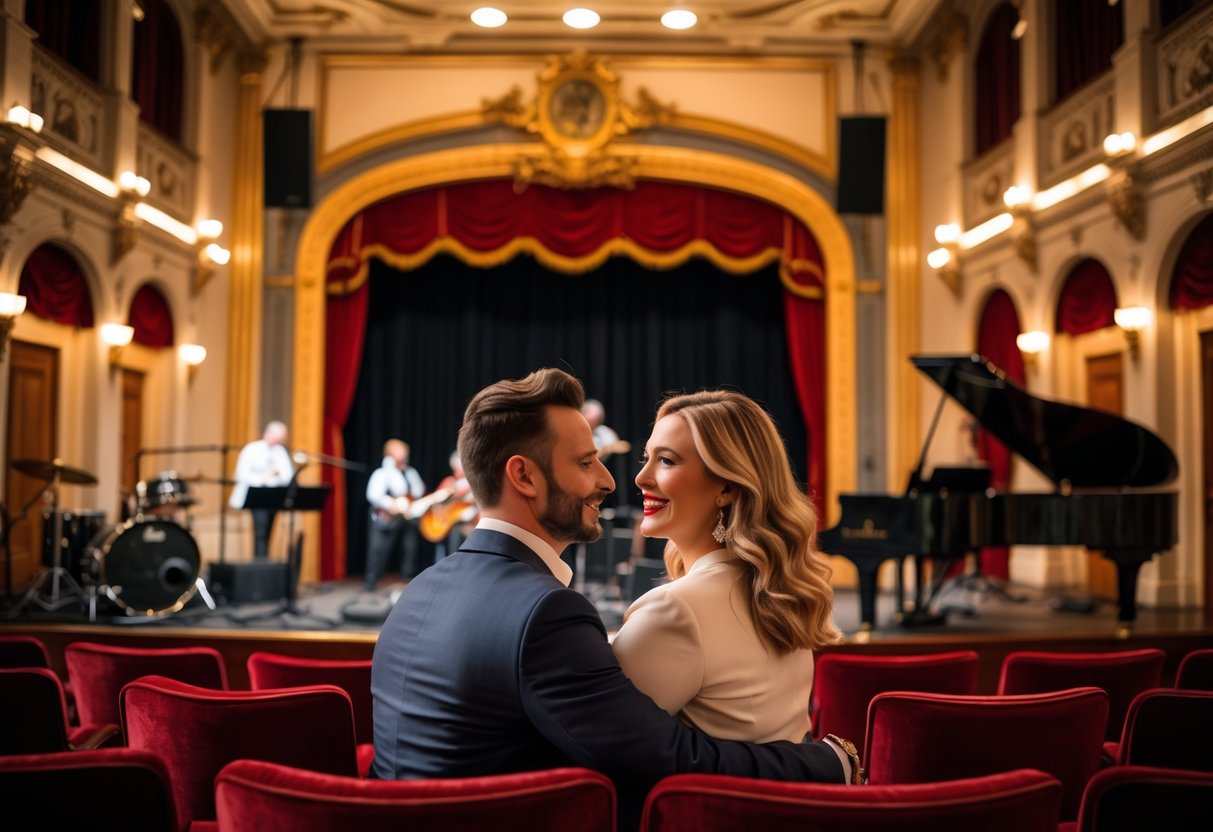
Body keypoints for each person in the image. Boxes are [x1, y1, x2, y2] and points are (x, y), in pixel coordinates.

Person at [371, 369, 855, 831]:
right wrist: (822, 763)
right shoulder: (549, 614)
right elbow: (663, 757)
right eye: (586, 462)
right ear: (524, 477)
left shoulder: (421, 589)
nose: (611, 480)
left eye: (663, 460)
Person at [611, 390, 843, 748]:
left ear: (727, 487)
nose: (642, 477)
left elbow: (603, 744)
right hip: (782, 801)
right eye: (647, 458)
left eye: (667, 461)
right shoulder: (777, 593)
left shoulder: (674, 611)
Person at [364, 439, 427, 590]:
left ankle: (409, 577)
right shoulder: (382, 473)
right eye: (400, 451)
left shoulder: (410, 472)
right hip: (387, 517)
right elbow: (373, 495)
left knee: (410, 546)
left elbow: (419, 490)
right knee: (379, 549)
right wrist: (392, 504)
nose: (404, 455)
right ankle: (371, 581)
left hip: (407, 516)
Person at [230, 420, 294, 560]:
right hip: (256, 496)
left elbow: (287, 475)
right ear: (268, 433)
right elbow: (241, 475)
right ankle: (259, 563)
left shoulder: (280, 452)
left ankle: (264, 562)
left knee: (269, 530)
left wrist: (274, 475)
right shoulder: (252, 449)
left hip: (273, 497)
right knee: (260, 530)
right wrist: (264, 476)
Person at [430, 450, 477, 561]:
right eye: (455, 469)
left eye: (458, 469)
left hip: (474, 524)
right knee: (455, 531)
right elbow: (436, 502)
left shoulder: (476, 483)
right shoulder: (450, 482)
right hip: (453, 526)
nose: (457, 473)